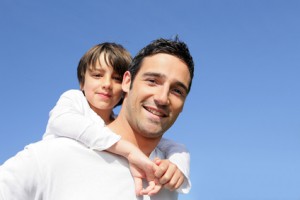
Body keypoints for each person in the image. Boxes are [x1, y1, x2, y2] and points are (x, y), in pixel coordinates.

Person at [0, 37, 194, 200]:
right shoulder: (54, 154)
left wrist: (179, 164)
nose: (162, 97)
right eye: (152, 81)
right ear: (128, 81)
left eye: (177, 90)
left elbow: (176, 148)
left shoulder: (167, 180)